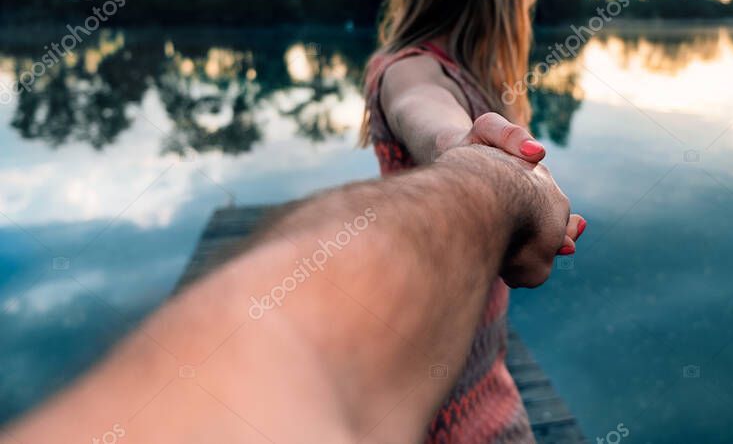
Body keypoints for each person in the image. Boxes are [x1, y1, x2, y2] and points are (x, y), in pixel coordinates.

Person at [2, 144, 583, 443]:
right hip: (442, 379)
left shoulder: (422, 64)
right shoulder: (416, 66)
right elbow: (430, 112)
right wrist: (494, 179)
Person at [360, 0, 583, 442]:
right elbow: (428, 117)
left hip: (478, 357)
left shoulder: (476, 74)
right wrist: (465, 153)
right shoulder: (409, 69)